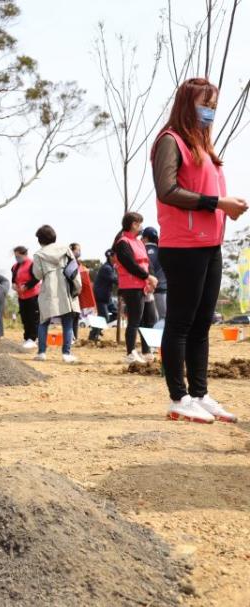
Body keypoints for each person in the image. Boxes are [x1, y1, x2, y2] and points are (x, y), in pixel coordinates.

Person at [151, 77, 247, 422]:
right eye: (205, 104)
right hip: (183, 246)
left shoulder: (203, 146)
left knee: (202, 323)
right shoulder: (170, 140)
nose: (210, 112)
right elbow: (167, 190)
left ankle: (200, 393)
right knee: (179, 323)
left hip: (210, 245)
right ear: (187, 104)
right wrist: (217, 202)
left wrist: (224, 208)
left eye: (214, 106)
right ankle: (179, 396)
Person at [113, 212, 159, 364]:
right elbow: (130, 265)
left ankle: (146, 350)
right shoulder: (122, 243)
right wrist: (147, 277)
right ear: (133, 224)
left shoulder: (139, 242)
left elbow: (148, 263)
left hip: (144, 285)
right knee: (134, 320)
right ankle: (130, 352)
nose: (141, 226)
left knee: (149, 318)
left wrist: (151, 278)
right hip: (131, 286)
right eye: (139, 223)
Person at [31, 225, 79, 363]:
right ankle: (66, 354)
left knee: (44, 321)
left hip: (49, 288)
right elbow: (74, 269)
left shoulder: (38, 254)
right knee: (68, 322)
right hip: (65, 287)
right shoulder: (66, 249)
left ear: (40, 240)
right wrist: (77, 287)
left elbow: (38, 275)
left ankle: (41, 353)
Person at [10, 245, 40, 349]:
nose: (17, 258)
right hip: (21, 296)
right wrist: (13, 284)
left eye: (18, 256)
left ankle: (33, 338)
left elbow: (37, 278)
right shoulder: (15, 266)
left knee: (33, 318)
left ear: (25, 254)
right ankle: (27, 338)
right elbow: (13, 278)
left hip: (32, 295)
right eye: (15, 256)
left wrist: (27, 286)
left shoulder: (32, 264)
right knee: (25, 318)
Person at [68, 242, 96, 342]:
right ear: (71, 250)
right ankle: (69, 337)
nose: (79, 252)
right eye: (77, 250)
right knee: (70, 316)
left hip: (78, 294)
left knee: (76, 316)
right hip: (70, 293)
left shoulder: (79, 263)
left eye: (79, 250)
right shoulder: (68, 262)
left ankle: (74, 337)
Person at [89, 250, 119, 341]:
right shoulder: (107, 268)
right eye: (116, 256)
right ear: (111, 257)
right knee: (104, 317)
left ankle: (97, 329)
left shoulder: (111, 267)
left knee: (115, 313)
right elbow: (115, 280)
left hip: (107, 297)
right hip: (101, 296)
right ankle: (93, 334)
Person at [141, 227, 167, 321]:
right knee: (163, 318)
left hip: (148, 290)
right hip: (163, 289)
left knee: (149, 320)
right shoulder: (162, 250)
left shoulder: (142, 250)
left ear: (145, 238)